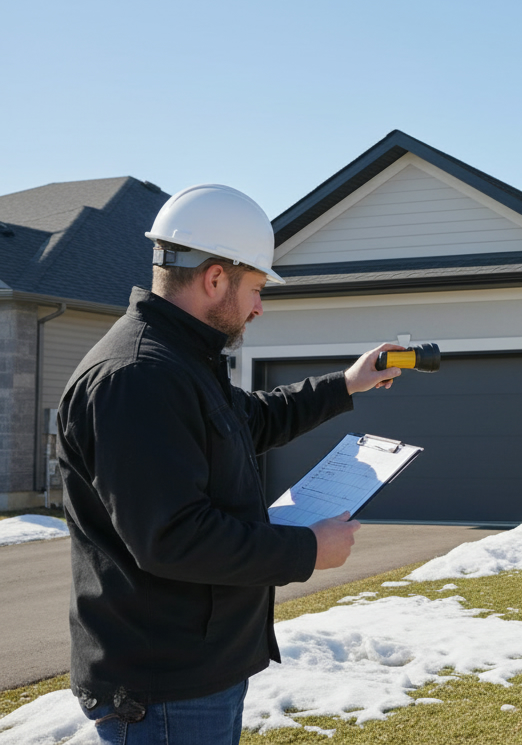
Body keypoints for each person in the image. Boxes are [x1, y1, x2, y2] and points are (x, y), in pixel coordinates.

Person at [57, 184, 405, 743]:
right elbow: (173, 537)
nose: (260, 306)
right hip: (163, 686)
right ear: (215, 277)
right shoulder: (138, 378)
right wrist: (308, 548)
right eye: (257, 288)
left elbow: (252, 420)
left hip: (195, 670)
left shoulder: (179, 362)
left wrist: (346, 384)